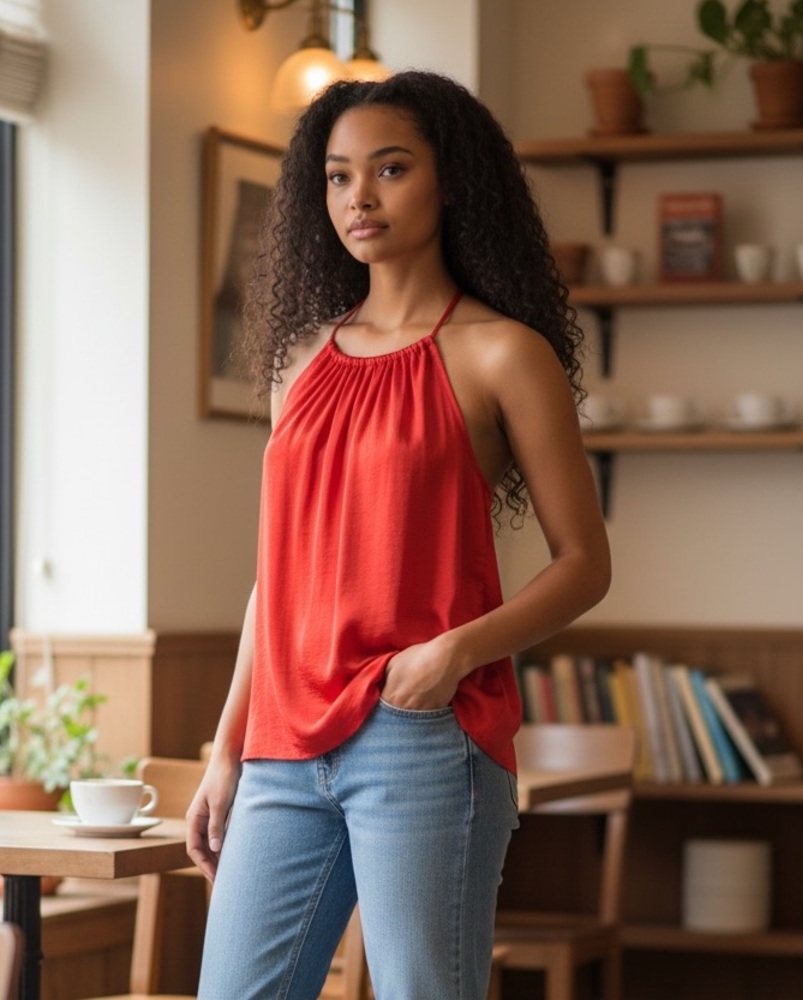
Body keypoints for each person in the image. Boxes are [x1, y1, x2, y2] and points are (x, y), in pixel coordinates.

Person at [187, 70, 611, 1000]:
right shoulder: (296, 363)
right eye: (338, 177)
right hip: (282, 747)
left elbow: (585, 567)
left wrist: (451, 655)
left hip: (422, 733)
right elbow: (277, 579)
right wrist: (227, 749)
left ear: (449, 180)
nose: (359, 198)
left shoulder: (505, 353)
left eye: (389, 169)